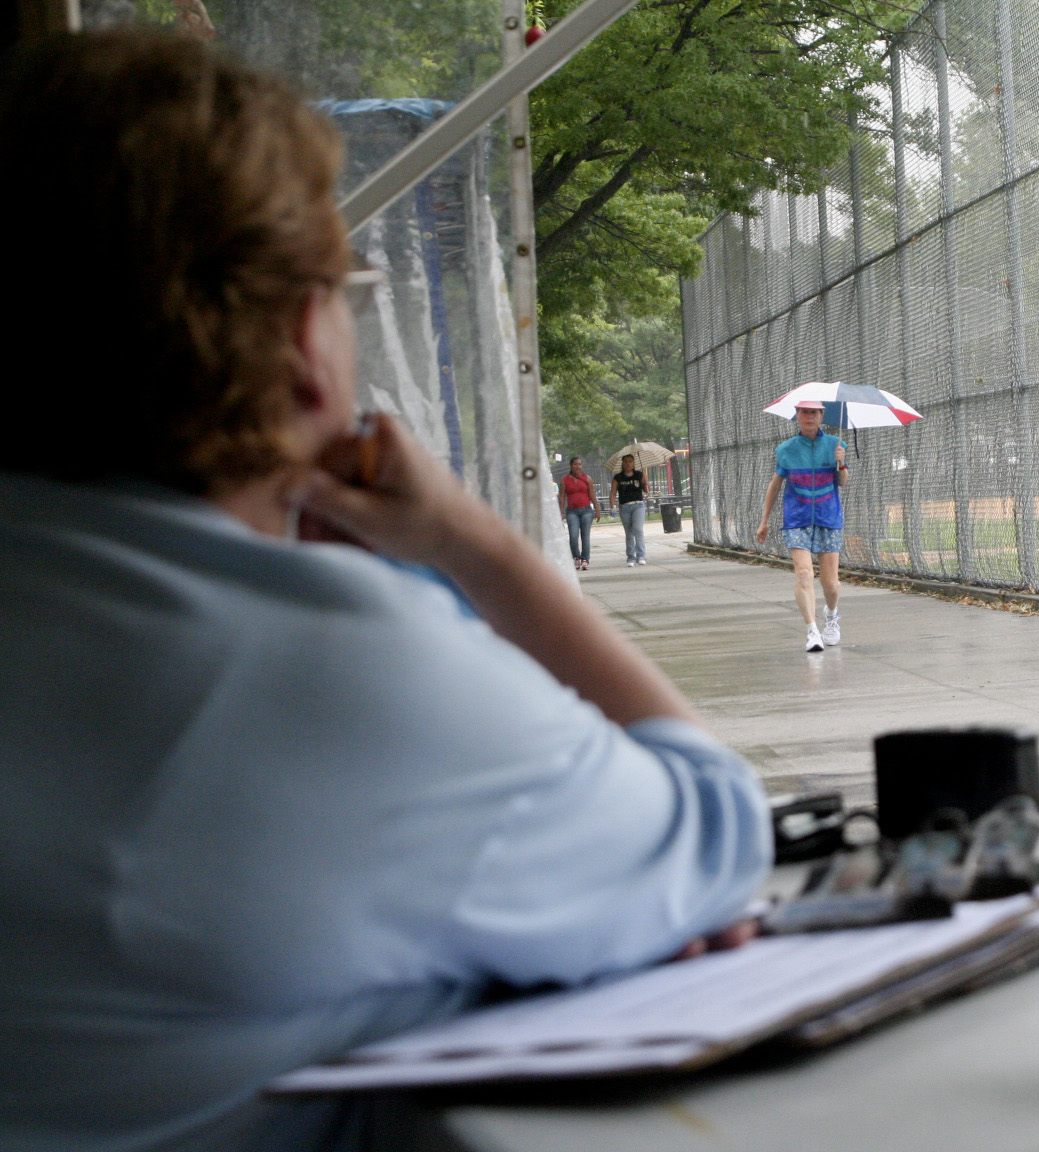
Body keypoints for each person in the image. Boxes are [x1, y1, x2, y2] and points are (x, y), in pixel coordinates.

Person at [0, 31, 769, 1152]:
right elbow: (713, 836)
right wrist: (476, 547)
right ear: (300, 342)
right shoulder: (314, 666)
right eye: (345, 288)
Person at [756, 399, 847, 652]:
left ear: (821, 416)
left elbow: (842, 481)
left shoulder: (835, 445)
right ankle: (812, 631)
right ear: (796, 415)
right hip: (797, 519)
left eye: (814, 413)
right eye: (804, 412)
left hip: (829, 518)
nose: (809, 417)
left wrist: (841, 462)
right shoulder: (786, 449)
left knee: (831, 584)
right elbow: (775, 485)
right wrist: (764, 520)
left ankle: (831, 614)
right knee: (804, 573)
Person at [612, 453, 650, 567]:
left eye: (630, 461)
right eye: (626, 461)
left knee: (638, 529)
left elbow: (646, 489)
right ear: (622, 464)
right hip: (625, 507)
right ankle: (631, 557)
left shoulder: (639, 475)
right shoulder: (618, 477)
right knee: (629, 532)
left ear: (634, 463)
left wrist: (646, 485)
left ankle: (641, 555)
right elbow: (613, 493)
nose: (628, 463)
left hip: (638, 505)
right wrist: (612, 506)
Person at [559, 455, 595, 570]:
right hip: (572, 512)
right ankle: (576, 557)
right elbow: (562, 497)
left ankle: (585, 559)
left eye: (579, 464)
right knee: (573, 536)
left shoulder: (587, 478)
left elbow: (592, 495)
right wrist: (561, 512)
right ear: (571, 465)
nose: (578, 466)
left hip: (586, 511)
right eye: (575, 464)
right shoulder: (565, 480)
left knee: (585, 536)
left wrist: (597, 510)